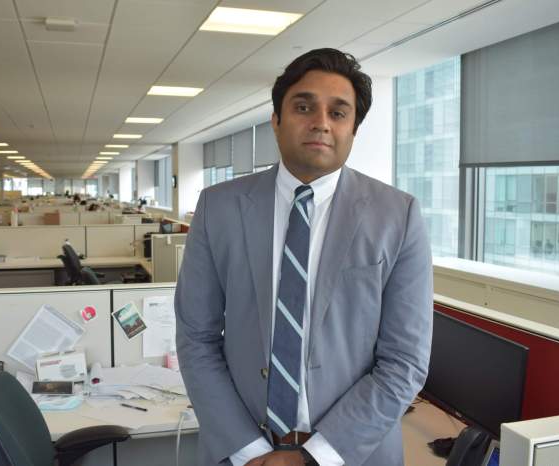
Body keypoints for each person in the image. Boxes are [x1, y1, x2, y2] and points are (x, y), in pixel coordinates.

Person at [175, 48, 433, 466]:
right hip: (239, 452)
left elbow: (404, 361)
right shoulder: (217, 207)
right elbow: (197, 338)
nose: (321, 123)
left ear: (354, 128)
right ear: (276, 120)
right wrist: (249, 450)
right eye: (303, 106)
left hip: (352, 454)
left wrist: (313, 457)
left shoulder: (398, 216)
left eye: (338, 112)